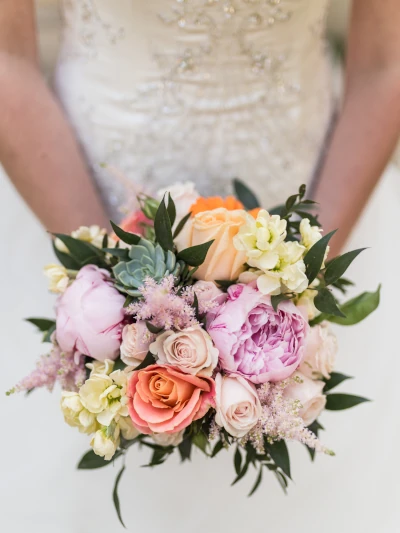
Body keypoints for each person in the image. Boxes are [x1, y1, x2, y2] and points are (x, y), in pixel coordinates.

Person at [1, 1, 399, 532]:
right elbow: (7, 60)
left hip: (326, 201)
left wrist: (301, 282)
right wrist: (108, 295)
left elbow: (384, 64)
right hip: (73, 197)